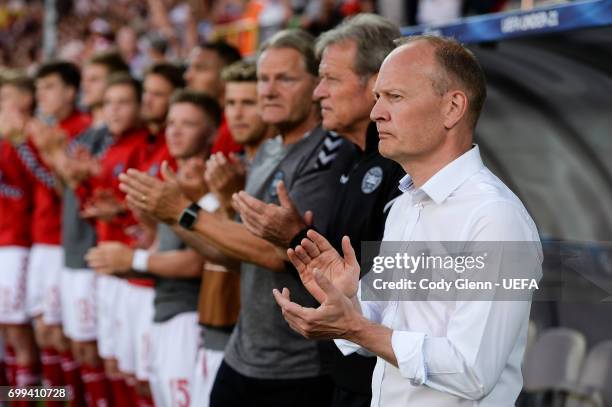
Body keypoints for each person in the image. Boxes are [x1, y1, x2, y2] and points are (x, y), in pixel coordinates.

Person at [274, 35, 543, 406]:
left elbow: (472, 371)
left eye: (394, 97)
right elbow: (388, 325)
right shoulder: (406, 205)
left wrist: (357, 327)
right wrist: (346, 300)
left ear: (452, 108)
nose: (376, 113)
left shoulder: (496, 218)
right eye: (378, 97)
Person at [119, 29, 352, 407]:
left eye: (285, 79)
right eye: (264, 79)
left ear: (316, 85)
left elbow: (279, 253)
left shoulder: (327, 152)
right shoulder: (268, 150)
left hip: (297, 364)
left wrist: (183, 211)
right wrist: (174, 215)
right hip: (244, 352)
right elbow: (232, 253)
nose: (269, 91)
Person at [232, 14, 404, 407]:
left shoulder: (402, 169)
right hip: (339, 374)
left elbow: (392, 288)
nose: (318, 92)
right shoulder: (350, 158)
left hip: (378, 381)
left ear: (376, 82)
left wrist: (292, 238)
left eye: (331, 79)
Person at [86, 90, 221, 407]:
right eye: (172, 122)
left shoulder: (214, 185)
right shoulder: (170, 181)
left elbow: (199, 262)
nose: (174, 130)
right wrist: (138, 229)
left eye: (187, 124)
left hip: (190, 319)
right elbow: (164, 245)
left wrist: (134, 258)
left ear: (212, 132)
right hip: (163, 309)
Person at [184, 41, 243, 156]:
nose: (187, 76)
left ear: (226, 76)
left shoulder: (237, 126)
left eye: (200, 68)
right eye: (189, 68)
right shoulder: (214, 123)